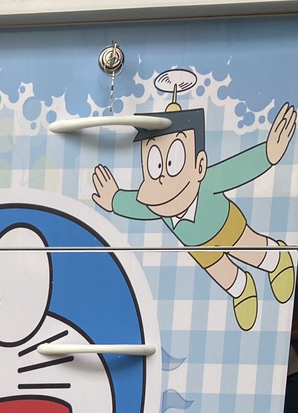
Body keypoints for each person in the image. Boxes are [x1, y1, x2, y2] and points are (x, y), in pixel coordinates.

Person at [92, 101, 296, 330]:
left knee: (251, 251)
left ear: (200, 165)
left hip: (227, 226)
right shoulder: (157, 203)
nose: (162, 177)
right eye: (155, 165)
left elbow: (236, 170)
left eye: (172, 162)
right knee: (224, 274)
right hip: (198, 246)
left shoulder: (208, 181)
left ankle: (275, 259)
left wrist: (267, 155)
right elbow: (136, 206)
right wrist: (114, 199)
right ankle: (242, 288)